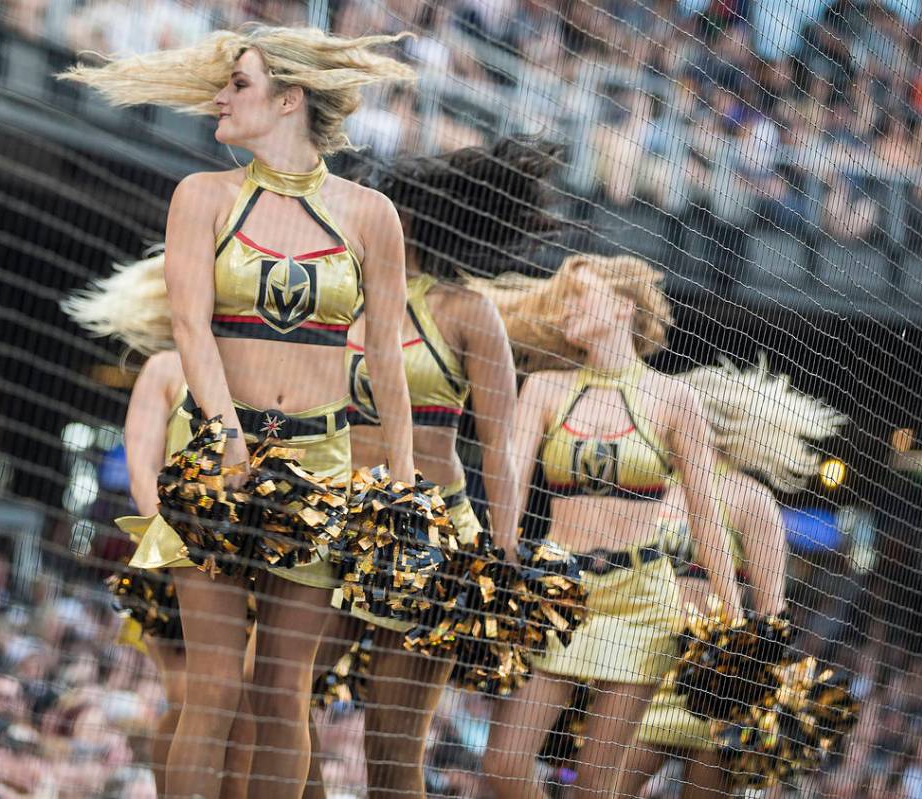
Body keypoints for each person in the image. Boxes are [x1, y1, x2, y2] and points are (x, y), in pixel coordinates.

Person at [60, 24, 418, 798]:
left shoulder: (370, 214)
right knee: (214, 686)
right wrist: (225, 437)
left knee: (284, 690)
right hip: (215, 453)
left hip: (322, 464)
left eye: (240, 84)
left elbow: (383, 358)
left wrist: (406, 483)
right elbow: (189, 325)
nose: (220, 97)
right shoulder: (201, 195)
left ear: (290, 99)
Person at [305, 137, 560, 799]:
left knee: (389, 749)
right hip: (334, 520)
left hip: (429, 535)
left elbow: (500, 448)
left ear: (406, 220)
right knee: (278, 689)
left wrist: (504, 554)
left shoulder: (464, 310)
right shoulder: (334, 300)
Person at [473, 254, 743, 799]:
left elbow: (706, 515)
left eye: (581, 294)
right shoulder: (546, 388)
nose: (567, 307)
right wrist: (501, 561)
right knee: (503, 763)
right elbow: (507, 481)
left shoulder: (676, 398)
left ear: (624, 306)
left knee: (597, 786)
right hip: (559, 590)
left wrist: (733, 613)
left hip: (642, 600)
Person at [617, 356, 846, 798]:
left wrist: (755, 687)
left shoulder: (752, 499)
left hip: (716, 681)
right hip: (645, 667)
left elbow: (771, 613)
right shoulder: (658, 483)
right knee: (598, 788)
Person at [116, 351, 255, 798]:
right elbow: (142, 473)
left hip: (250, 562)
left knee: (244, 706)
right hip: (174, 554)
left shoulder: (266, 363)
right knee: (187, 697)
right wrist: (180, 545)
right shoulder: (164, 367)